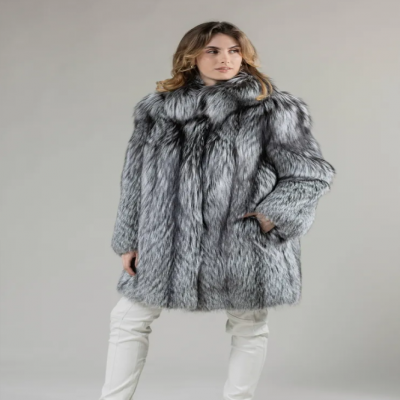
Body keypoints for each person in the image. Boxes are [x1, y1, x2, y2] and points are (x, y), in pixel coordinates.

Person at [99, 21, 336, 400]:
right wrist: (128, 239)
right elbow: (134, 179)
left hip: (242, 242)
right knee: (128, 317)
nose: (225, 59)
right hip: (168, 241)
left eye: (233, 51)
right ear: (191, 56)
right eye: (213, 51)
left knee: (248, 325)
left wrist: (270, 217)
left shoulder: (271, 108)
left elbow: (310, 173)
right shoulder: (157, 110)